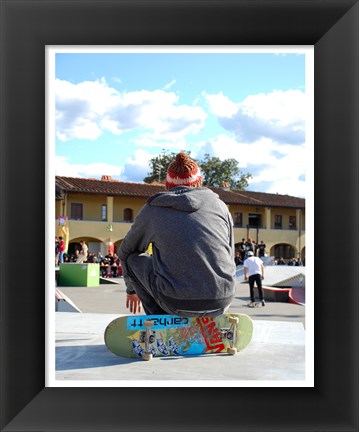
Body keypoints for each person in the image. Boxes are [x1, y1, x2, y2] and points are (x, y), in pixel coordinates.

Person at [119, 152, 236, 317]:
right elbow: (229, 253)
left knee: (132, 259)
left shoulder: (154, 209)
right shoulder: (221, 206)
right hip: (222, 299)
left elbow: (125, 251)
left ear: (167, 185)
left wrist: (132, 288)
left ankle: (159, 321)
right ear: (200, 182)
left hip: (175, 302)